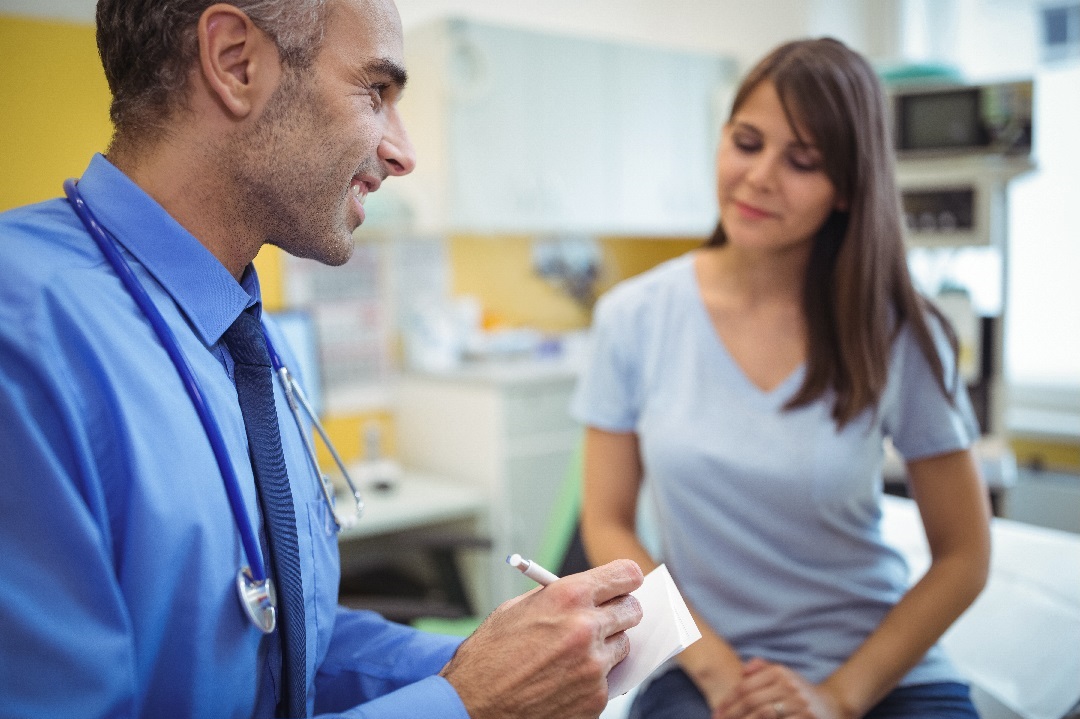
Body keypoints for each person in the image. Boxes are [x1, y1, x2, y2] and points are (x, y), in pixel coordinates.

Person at [0, 1, 643, 717]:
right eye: (376, 91)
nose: (403, 152)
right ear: (237, 63)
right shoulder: (22, 333)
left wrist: (501, 662)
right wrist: (469, 702)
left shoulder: (244, 341)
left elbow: (287, 651)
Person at [572, 37, 992, 719]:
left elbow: (965, 554)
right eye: (746, 141)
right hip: (708, 662)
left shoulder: (898, 331)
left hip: (879, 673)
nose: (761, 176)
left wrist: (839, 698)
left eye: (803, 161)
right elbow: (608, 520)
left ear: (849, 190)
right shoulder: (633, 318)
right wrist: (719, 672)